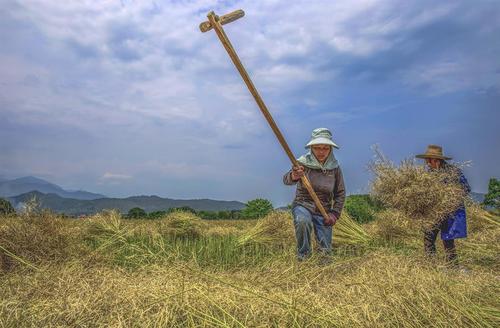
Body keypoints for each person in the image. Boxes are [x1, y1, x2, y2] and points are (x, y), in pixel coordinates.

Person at [283, 128, 346, 261]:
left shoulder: (334, 168)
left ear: (330, 149)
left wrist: (334, 214)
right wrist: (294, 175)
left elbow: (340, 193)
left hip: (324, 210)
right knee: (303, 221)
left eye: (325, 148)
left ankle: (323, 259)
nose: (321, 152)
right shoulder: (302, 163)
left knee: (325, 256)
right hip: (303, 204)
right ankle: (303, 257)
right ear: (311, 148)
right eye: (317, 148)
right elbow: (286, 180)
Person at [416, 145, 471, 267]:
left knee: (448, 240)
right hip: (434, 212)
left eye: (428, 160)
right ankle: (431, 265)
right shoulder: (428, 174)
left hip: (450, 212)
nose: (427, 163)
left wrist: (450, 196)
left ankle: (453, 266)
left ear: (436, 160)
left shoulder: (453, 172)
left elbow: (466, 188)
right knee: (428, 237)